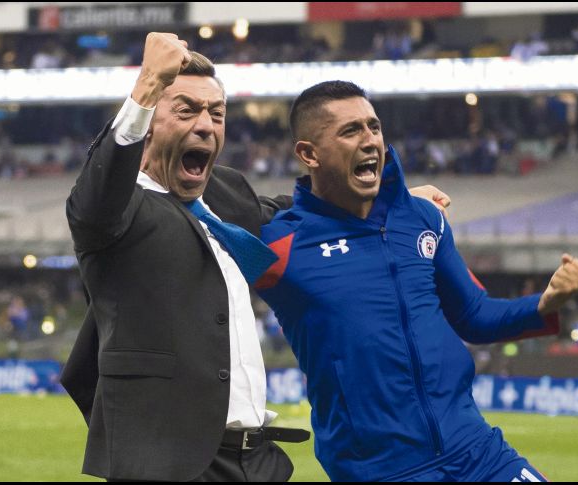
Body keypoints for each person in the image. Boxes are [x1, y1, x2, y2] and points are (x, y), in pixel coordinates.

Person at [62, 34, 450, 482]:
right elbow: (95, 200)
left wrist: (392, 204)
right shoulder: (117, 208)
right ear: (148, 123)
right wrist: (148, 84)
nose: (206, 125)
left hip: (255, 462)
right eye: (186, 110)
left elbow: (298, 215)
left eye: (217, 113)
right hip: (168, 465)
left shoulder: (223, 193)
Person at [256, 81, 578, 482]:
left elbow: (474, 314)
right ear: (309, 154)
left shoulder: (422, 218)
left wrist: (544, 303)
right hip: (382, 471)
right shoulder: (281, 243)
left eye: (374, 127)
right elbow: (199, 212)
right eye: (350, 131)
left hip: (478, 450)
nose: (370, 141)